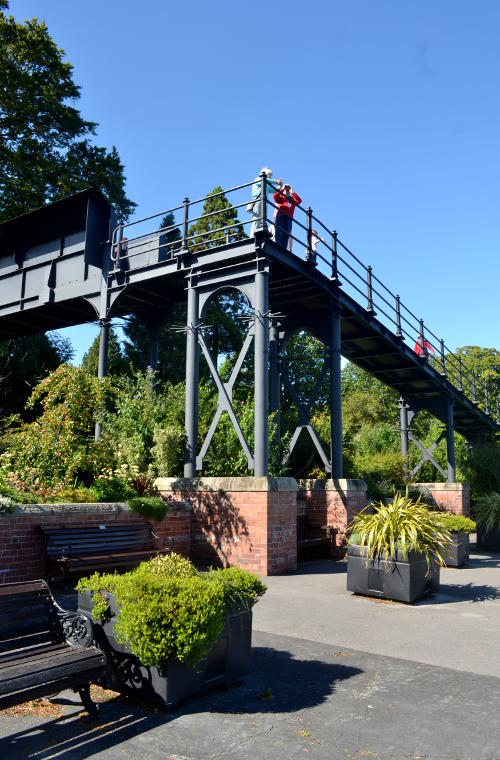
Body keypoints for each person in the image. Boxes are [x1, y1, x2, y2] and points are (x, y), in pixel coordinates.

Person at [249, 168, 282, 237]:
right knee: (256, 219)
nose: (270, 177)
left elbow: (274, 190)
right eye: (269, 175)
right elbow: (266, 180)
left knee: (262, 219)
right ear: (264, 174)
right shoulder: (258, 179)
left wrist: (280, 186)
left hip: (264, 202)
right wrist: (276, 182)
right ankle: (252, 237)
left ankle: (258, 236)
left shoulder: (266, 184)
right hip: (258, 200)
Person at [273, 183, 302, 252]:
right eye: (286, 188)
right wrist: (282, 189)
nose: (287, 189)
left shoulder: (292, 200)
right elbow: (275, 196)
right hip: (280, 216)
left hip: (289, 218)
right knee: (279, 232)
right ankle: (278, 249)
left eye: (288, 188)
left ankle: (283, 250)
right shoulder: (281, 198)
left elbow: (299, 200)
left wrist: (292, 192)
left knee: (286, 234)